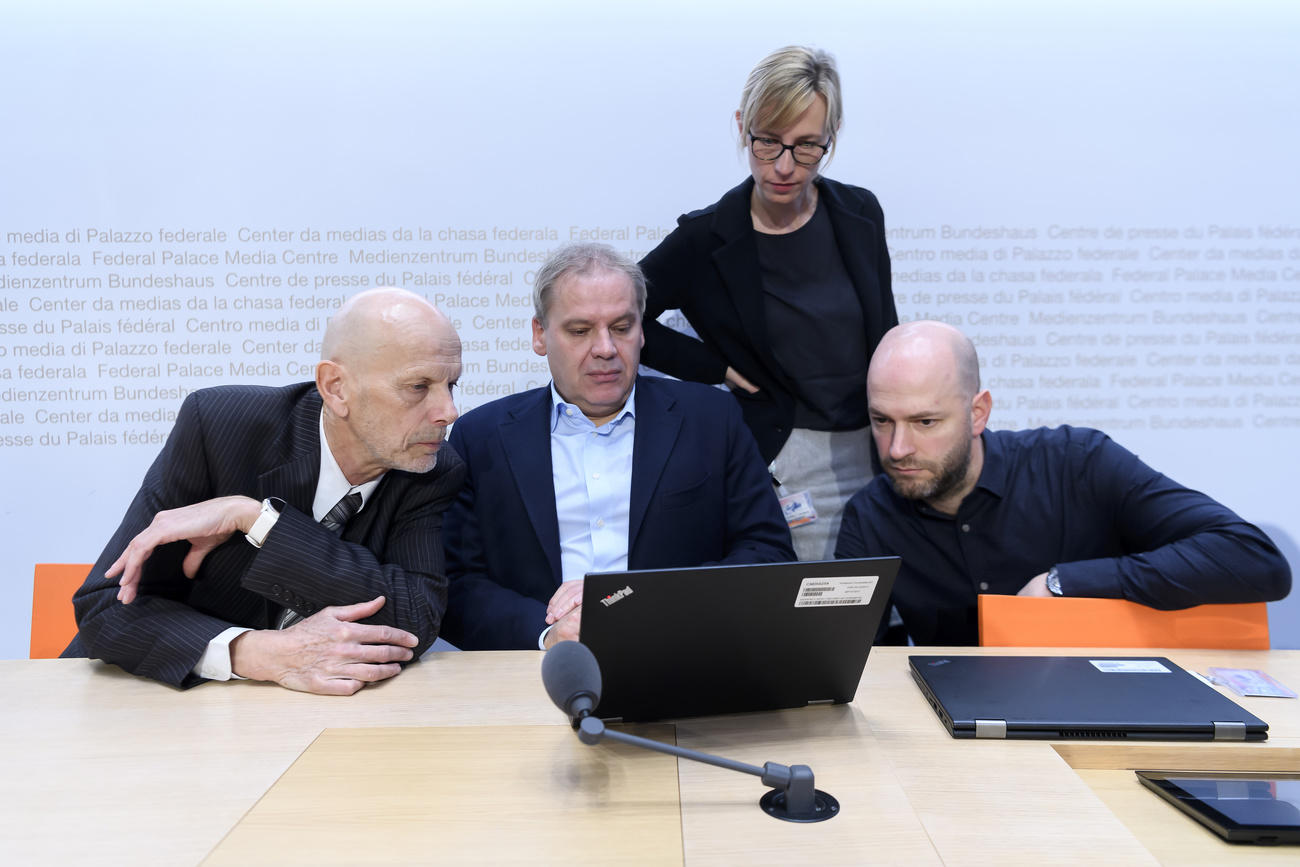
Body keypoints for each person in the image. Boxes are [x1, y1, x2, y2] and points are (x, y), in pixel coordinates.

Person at [64, 288, 466, 694]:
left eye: (451, 384)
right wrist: (256, 652)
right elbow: (106, 609)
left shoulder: (431, 468)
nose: (448, 411)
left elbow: (413, 622)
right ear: (336, 387)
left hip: (296, 718)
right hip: (139, 699)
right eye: (418, 386)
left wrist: (258, 520)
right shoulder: (220, 426)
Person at [835, 320, 1292, 645]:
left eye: (925, 422)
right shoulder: (870, 517)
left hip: (1108, 718)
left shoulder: (1077, 463)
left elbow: (1255, 559)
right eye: (881, 421)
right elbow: (847, 664)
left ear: (978, 414)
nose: (897, 449)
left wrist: (1065, 582)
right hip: (968, 743)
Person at [440, 242, 795, 650]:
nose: (606, 349)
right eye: (580, 330)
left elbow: (768, 554)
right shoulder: (480, 436)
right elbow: (457, 584)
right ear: (540, 335)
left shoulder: (712, 419)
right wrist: (546, 633)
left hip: (683, 658)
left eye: (622, 328)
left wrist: (648, 600)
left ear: (642, 331)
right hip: (536, 673)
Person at [638, 45, 897, 561]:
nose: (784, 166)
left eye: (806, 147)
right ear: (741, 125)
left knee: (885, 614)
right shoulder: (705, 239)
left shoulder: (860, 213)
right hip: (786, 457)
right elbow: (625, 317)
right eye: (767, 143)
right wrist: (714, 368)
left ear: (832, 136)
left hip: (879, 452)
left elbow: (885, 331)